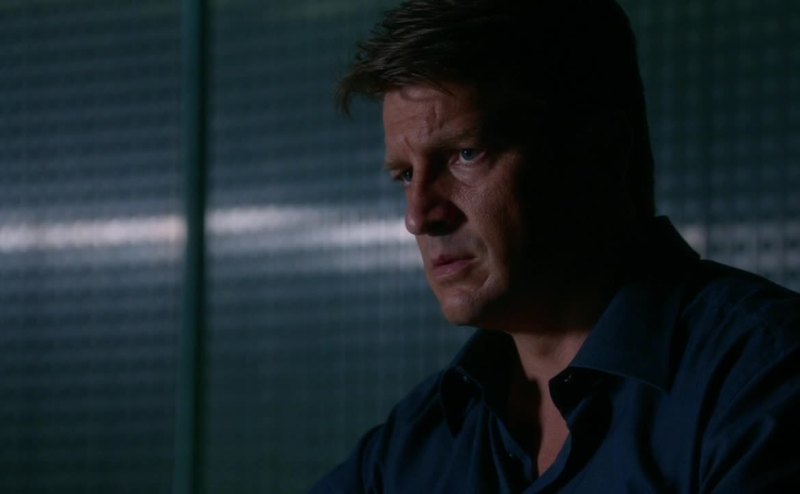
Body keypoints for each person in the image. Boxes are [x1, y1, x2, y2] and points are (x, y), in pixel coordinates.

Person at [311, 0, 800, 492]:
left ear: (600, 154)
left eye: (466, 154)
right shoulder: (423, 436)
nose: (418, 217)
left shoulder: (763, 378)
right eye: (405, 175)